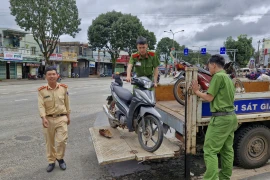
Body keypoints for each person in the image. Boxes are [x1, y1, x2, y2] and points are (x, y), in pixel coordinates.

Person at [191, 55, 238, 180]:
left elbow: (209, 98)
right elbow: (218, 95)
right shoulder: (227, 77)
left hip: (221, 119)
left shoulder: (217, 77)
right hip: (231, 117)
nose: (208, 68)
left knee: (210, 151)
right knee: (227, 150)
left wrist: (196, 91)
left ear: (213, 65)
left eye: (208, 65)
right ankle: (225, 177)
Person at [38, 66, 71, 173]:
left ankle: (60, 158)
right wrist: (43, 118)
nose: (52, 76)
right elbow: (41, 105)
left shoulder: (64, 88)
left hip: (62, 118)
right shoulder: (42, 91)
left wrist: (68, 116)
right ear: (46, 77)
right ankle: (51, 161)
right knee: (49, 142)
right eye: (49, 74)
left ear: (57, 75)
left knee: (62, 140)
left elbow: (67, 103)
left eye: (53, 74)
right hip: (48, 119)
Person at [125, 36, 160, 132]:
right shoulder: (134, 56)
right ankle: (131, 122)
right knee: (136, 102)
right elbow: (130, 66)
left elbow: (156, 68)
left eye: (143, 47)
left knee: (151, 103)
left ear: (147, 46)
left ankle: (149, 122)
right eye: (140, 48)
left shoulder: (153, 55)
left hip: (149, 81)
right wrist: (128, 75)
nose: (142, 50)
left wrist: (155, 82)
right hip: (138, 81)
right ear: (137, 47)